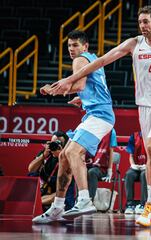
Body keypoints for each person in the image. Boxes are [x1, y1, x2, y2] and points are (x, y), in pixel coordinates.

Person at [47, 5, 151, 228]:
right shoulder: (134, 44)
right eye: (140, 22)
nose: (143, 26)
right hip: (144, 106)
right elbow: (100, 61)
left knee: (150, 147)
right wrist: (69, 81)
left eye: (147, 21)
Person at [33, 30, 115, 224]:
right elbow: (90, 87)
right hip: (95, 113)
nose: (71, 49)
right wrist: (83, 99)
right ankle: (58, 207)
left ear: (85, 46)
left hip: (100, 115)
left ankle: (85, 199)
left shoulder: (80, 59)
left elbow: (78, 84)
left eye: (75, 45)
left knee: (73, 153)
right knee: (63, 156)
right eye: (69, 46)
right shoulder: (93, 59)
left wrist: (52, 89)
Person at [28, 131, 75, 211]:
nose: (55, 145)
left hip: (61, 191)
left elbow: (70, 175)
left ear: (65, 145)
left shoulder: (68, 156)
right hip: (46, 188)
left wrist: (61, 157)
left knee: (61, 194)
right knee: (31, 176)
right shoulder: (46, 153)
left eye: (58, 143)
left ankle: (34, 202)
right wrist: (43, 156)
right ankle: (38, 202)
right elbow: (31, 169)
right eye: (53, 142)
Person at [124, 131, 147, 215]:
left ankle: (143, 205)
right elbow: (131, 155)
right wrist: (133, 165)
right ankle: (130, 205)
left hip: (147, 167)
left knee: (144, 175)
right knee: (129, 175)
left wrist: (147, 166)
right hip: (136, 166)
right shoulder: (134, 136)